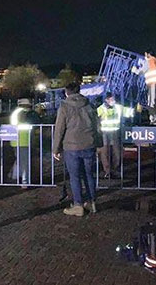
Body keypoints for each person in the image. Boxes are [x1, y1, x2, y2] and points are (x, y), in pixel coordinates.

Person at [53, 82, 102, 216]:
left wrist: (55, 149)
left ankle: (78, 205)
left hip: (71, 146)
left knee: (75, 176)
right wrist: (99, 144)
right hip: (89, 145)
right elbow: (97, 126)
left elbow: (59, 129)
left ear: (66, 92)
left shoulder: (64, 106)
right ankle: (92, 203)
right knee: (88, 175)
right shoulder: (89, 105)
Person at [97, 93, 134, 179]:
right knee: (104, 152)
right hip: (104, 132)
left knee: (116, 151)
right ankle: (107, 171)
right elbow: (96, 118)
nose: (113, 101)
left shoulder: (118, 107)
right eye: (111, 99)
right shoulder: (101, 109)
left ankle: (115, 169)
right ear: (106, 100)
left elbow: (129, 112)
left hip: (115, 132)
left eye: (113, 99)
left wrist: (137, 109)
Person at [9, 98, 40, 187]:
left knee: (19, 160)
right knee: (25, 163)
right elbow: (29, 124)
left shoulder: (15, 112)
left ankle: (14, 176)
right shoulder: (23, 113)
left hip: (15, 140)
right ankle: (25, 182)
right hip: (23, 140)